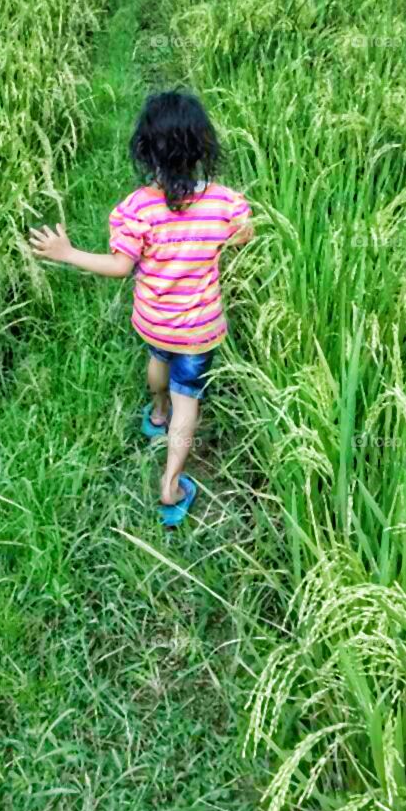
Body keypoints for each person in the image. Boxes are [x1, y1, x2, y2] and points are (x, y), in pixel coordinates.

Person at [29, 91, 252, 527]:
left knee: (157, 360)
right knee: (189, 401)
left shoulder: (136, 209)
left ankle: (156, 414)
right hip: (199, 329)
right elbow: (243, 237)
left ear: (145, 151)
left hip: (153, 320)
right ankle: (170, 485)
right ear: (204, 147)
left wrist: (68, 253)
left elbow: (120, 267)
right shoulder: (226, 203)